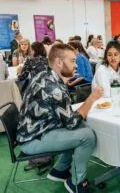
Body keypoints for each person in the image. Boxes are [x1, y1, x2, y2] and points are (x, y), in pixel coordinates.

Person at [16, 43, 104, 193]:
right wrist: (91, 98)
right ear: (58, 62)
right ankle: (77, 183)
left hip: (31, 132)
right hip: (33, 140)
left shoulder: (44, 74)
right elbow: (72, 123)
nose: (76, 65)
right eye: (72, 61)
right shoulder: (54, 88)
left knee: (82, 129)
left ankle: (60, 170)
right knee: (87, 135)